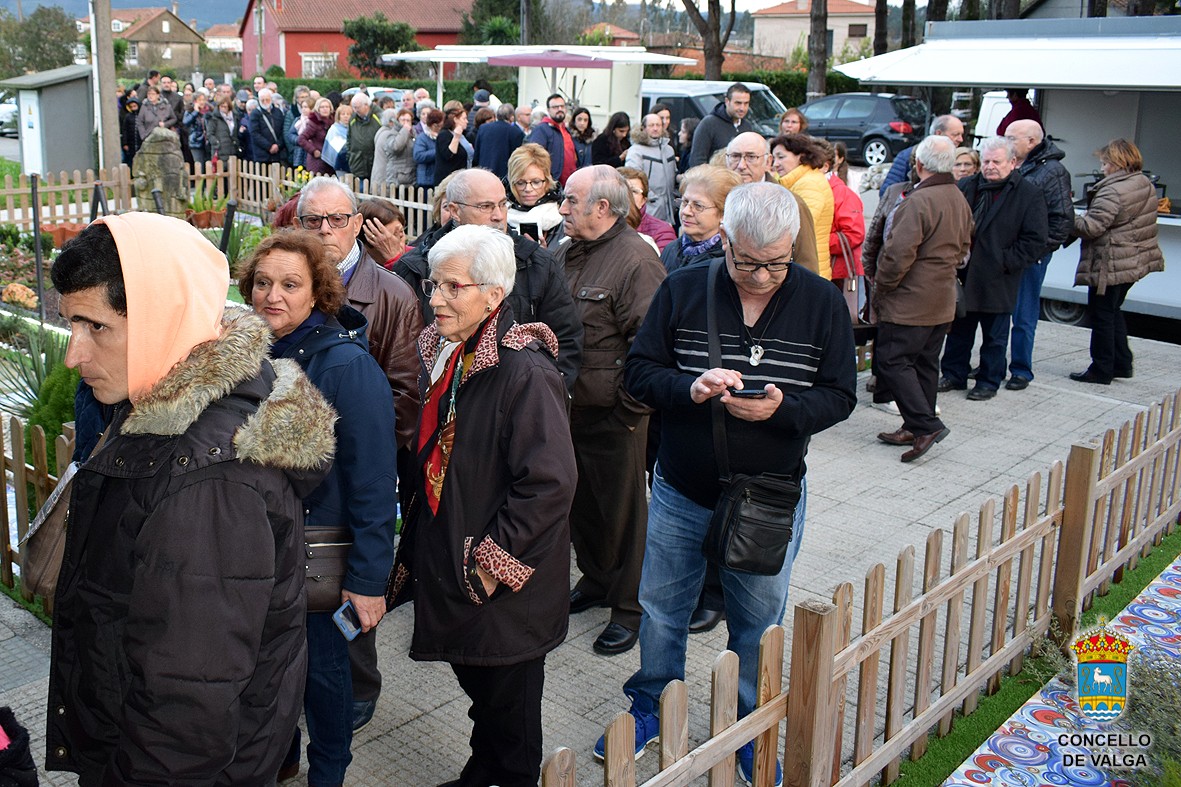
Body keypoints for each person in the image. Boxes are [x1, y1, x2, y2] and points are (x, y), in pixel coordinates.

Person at [46, 213, 335, 785]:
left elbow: (185, 713)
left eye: (95, 327)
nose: (73, 356)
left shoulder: (206, 482)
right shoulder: (161, 405)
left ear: (164, 320)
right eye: (69, 325)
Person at [608, 181, 856, 783]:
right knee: (661, 608)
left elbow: (841, 396)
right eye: (747, 261)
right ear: (725, 240)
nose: (763, 275)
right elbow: (641, 373)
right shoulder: (685, 288)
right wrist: (688, 390)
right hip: (682, 487)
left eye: (776, 262)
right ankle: (651, 708)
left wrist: (785, 412)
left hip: (769, 495)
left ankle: (749, 725)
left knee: (757, 619)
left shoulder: (822, 302)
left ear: (793, 245)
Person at [388, 224, 575, 787]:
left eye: (452, 287)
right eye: (432, 284)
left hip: (498, 580)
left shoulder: (525, 371)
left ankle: (504, 775)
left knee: (509, 707)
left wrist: (493, 565)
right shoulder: (454, 351)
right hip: (454, 553)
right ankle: (483, 770)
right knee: (482, 689)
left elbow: (549, 484)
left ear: (494, 296)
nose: (435, 299)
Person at [239, 231, 397, 787]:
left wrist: (369, 580)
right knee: (269, 674)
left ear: (318, 294)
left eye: (289, 284)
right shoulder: (254, 352)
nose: (271, 296)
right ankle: (280, 759)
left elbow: (375, 481)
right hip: (263, 555)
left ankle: (328, 773)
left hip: (319, 565)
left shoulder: (344, 367)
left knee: (325, 680)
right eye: (262, 282)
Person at [296, 178, 425, 728]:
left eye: (336, 219)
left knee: (353, 581)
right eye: (312, 220)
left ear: (357, 223)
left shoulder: (392, 294)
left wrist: (352, 453)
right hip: (294, 472)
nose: (325, 230)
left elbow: (405, 392)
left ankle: (357, 686)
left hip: (353, 471)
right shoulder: (290, 282)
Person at [555, 165, 666, 656]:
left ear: (603, 207)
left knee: (623, 516)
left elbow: (654, 343)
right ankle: (597, 581)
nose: (562, 208)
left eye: (571, 201)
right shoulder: (566, 252)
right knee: (582, 508)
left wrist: (628, 410)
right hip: (569, 409)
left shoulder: (636, 260)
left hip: (615, 415)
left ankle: (629, 607)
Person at [393, 168, 583, 392]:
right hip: (437, 403)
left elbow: (567, 341)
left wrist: (541, 393)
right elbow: (400, 354)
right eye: (486, 206)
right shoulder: (416, 266)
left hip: (512, 403)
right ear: (454, 211)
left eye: (503, 204)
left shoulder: (537, 263)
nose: (499, 215)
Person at [872, 136, 973, 462]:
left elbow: (897, 255)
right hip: (941, 299)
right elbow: (963, 250)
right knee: (925, 364)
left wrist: (881, 289)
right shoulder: (957, 195)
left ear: (919, 165)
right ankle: (915, 425)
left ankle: (925, 424)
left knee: (892, 360)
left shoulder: (919, 200)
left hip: (910, 302)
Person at [939, 137, 1048, 400]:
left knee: (995, 335)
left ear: (1012, 162)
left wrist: (1004, 261)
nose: (990, 167)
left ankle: (989, 380)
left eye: (996, 162)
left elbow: (1035, 240)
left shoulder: (1028, 194)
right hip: (965, 273)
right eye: (986, 161)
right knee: (959, 331)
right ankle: (954, 374)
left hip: (999, 277)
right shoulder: (967, 185)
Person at [1069, 138, 1164, 385]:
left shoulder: (1112, 190)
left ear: (1116, 162)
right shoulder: (1142, 182)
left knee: (1102, 316)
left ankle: (1101, 369)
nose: (1102, 168)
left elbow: (1092, 227)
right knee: (1112, 312)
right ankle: (1121, 363)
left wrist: (1067, 213)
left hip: (1110, 263)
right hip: (1132, 260)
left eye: (1104, 163)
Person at [1004, 119, 1074, 390]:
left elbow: (1062, 220)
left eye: (1012, 138)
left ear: (1031, 142)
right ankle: (993, 363)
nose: (1006, 142)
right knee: (997, 312)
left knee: (1023, 315)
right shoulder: (1011, 163)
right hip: (1005, 253)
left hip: (1030, 256)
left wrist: (1037, 251)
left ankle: (1021, 370)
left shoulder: (1053, 171)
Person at [725, 132, 820, 276]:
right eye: (735, 156)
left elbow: (806, 265)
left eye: (751, 157)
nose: (741, 165)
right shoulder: (718, 197)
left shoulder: (791, 204)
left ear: (768, 162)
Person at [772, 134, 834, 280]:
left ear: (801, 156)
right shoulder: (794, 180)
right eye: (773, 158)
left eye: (781, 157)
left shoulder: (809, 183)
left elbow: (799, 227)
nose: (775, 163)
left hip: (811, 268)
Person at [661, 164, 742, 273]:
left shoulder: (730, 262)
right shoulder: (671, 249)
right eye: (685, 202)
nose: (686, 211)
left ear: (724, 213)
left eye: (698, 206)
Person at [819, 139, 865, 310]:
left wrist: (818, 241)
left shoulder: (842, 193)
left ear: (825, 166)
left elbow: (854, 235)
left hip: (839, 273)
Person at [879, 115, 965, 195]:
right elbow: (887, 192)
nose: (961, 139)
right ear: (938, 133)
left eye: (961, 134)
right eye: (955, 134)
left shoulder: (962, 157)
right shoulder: (908, 155)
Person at [505, 143, 566, 248]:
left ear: (547, 181)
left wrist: (545, 258)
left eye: (536, 182)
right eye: (520, 183)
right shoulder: (498, 217)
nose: (528, 189)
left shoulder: (565, 216)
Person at [625, 113, 678, 224]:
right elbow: (631, 179)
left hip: (669, 210)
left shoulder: (668, 150)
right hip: (648, 207)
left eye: (658, 125)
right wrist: (652, 197)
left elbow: (674, 175)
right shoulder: (636, 150)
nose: (655, 128)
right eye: (651, 125)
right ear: (643, 128)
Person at [688, 82, 755, 167]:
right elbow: (696, 161)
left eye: (746, 103)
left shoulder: (747, 127)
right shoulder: (709, 124)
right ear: (727, 101)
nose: (742, 108)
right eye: (738, 103)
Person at [619, 166, 676, 252]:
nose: (627, 195)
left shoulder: (662, 231)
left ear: (644, 200)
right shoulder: (599, 225)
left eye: (634, 191)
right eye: (620, 190)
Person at [527, 94, 577, 186]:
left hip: (569, 183)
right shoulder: (542, 130)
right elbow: (533, 156)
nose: (559, 109)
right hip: (552, 184)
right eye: (555, 107)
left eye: (562, 106)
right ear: (548, 110)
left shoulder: (567, 131)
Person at [473, 102, 525, 179]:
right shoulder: (516, 132)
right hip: (504, 176)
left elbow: (477, 153)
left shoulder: (483, 128)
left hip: (483, 172)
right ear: (511, 117)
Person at [359, 198, 409, 270]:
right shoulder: (358, 268)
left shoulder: (419, 258)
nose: (399, 244)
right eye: (388, 240)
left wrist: (394, 260)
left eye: (401, 235)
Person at [434, 105, 470, 187]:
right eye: (464, 119)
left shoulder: (464, 135)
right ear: (455, 119)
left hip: (461, 178)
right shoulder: (444, 135)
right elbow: (449, 155)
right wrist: (456, 137)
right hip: (448, 181)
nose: (467, 121)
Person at [348, 93, 380, 182]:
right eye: (353, 107)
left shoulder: (378, 117)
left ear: (366, 105)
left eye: (357, 107)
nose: (355, 110)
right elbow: (349, 139)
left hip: (374, 163)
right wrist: (350, 155)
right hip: (357, 163)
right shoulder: (353, 119)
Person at [300, 97, 336, 175]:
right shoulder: (314, 122)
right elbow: (301, 139)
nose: (325, 109)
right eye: (322, 107)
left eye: (327, 107)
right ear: (318, 109)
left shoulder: (334, 122)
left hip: (330, 161)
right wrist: (314, 151)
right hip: (317, 162)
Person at [250, 88, 286, 164]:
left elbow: (283, 130)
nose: (265, 102)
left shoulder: (278, 112)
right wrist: (269, 146)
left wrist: (278, 145)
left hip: (278, 154)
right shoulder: (255, 114)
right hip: (262, 155)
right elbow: (254, 133)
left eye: (267, 99)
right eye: (262, 100)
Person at [415, 108, 444, 189]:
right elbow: (418, 156)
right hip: (426, 180)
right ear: (433, 125)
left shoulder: (443, 136)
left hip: (439, 178)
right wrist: (438, 151)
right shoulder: (422, 138)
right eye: (439, 125)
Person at [183, 91, 211, 167]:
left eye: (203, 100)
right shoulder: (190, 110)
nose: (202, 102)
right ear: (195, 101)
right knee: (199, 166)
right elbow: (185, 122)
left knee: (208, 166)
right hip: (196, 142)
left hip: (208, 142)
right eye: (199, 100)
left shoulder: (210, 110)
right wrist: (195, 112)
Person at [120, 96, 141, 163]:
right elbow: (125, 130)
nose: (133, 108)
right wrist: (125, 143)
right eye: (131, 107)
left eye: (135, 106)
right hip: (130, 143)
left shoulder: (142, 115)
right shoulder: (128, 116)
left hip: (141, 140)